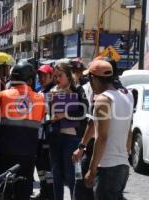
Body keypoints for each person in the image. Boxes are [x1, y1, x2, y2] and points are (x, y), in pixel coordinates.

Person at [0, 61, 45, 200]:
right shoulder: (40, 99)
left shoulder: (3, 95)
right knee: (23, 192)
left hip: (5, 152)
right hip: (28, 154)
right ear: (30, 79)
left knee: (1, 190)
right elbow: (41, 117)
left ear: (12, 78)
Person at [83, 60, 133, 200]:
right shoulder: (127, 96)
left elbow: (102, 137)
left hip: (107, 167)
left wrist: (92, 170)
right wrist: (125, 156)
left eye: (89, 78)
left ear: (93, 78)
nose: (89, 82)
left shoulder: (103, 100)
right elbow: (129, 131)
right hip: (122, 166)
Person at [48, 62, 88, 200]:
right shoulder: (53, 91)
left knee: (71, 176)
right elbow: (47, 113)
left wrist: (65, 115)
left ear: (68, 75)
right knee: (56, 175)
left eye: (60, 75)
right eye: (55, 76)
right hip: (56, 137)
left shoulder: (77, 90)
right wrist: (51, 117)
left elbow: (84, 111)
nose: (57, 79)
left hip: (72, 138)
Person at [32, 64, 55, 200]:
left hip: (48, 136)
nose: (41, 78)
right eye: (39, 75)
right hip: (38, 136)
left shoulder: (54, 92)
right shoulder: (39, 92)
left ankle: (50, 193)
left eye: (44, 76)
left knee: (48, 167)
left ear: (51, 76)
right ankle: (44, 190)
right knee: (39, 165)